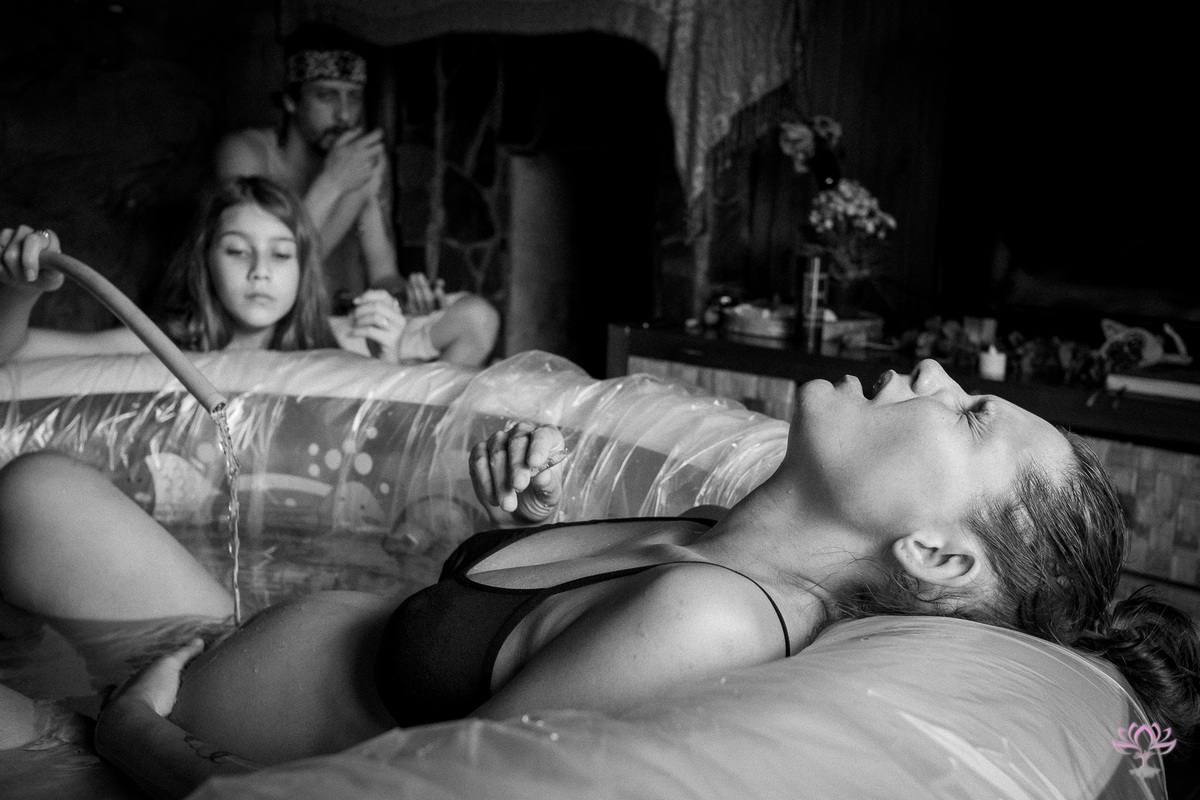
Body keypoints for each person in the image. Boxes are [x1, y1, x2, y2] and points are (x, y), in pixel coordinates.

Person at [1, 361, 1198, 798]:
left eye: (969, 413)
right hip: (195, 649)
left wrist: (138, 740)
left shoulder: (713, 615)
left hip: (161, 757)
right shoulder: (713, 533)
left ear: (936, 554)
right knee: (38, 486)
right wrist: (508, 531)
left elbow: (398, 794)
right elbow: (469, 658)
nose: (933, 370)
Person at [214, 22, 499, 367]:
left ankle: (417, 402)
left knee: (478, 319)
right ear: (290, 100)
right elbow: (270, 257)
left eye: (354, 96)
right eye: (327, 96)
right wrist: (332, 182)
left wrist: (407, 298)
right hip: (271, 325)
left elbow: (383, 272)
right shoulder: (244, 153)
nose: (345, 114)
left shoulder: (365, 165)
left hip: (343, 323)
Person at [0, 178, 452, 365]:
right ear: (205, 261)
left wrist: (390, 359)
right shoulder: (167, 348)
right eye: (237, 251)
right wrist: (21, 290)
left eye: (281, 255)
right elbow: (15, 352)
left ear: (303, 269)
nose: (260, 271)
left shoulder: (344, 344)